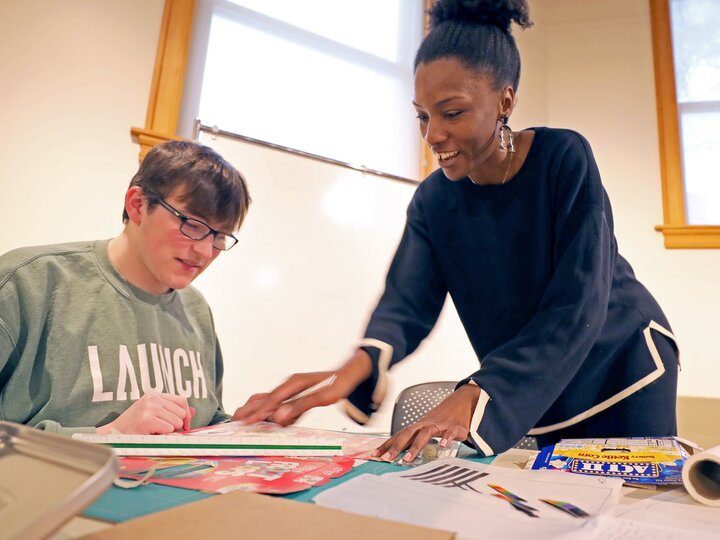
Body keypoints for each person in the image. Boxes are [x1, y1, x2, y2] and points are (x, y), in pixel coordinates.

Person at [233, 0, 679, 462]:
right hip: (546, 383)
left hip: (622, 367)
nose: (432, 135)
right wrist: (355, 367)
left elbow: (577, 300)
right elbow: (406, 304)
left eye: (451, 113)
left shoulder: (563, 157)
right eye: (423, 115)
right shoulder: (434, 201)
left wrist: (478, 391)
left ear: (505, 101)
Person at [0, 140, 251, 436]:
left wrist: (243, 427)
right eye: (193, 225)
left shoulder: (197, 310)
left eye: (220, 236)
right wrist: (108, 435)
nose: (205, 251)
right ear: (137, 205)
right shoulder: (28, 282)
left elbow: (203, 420)